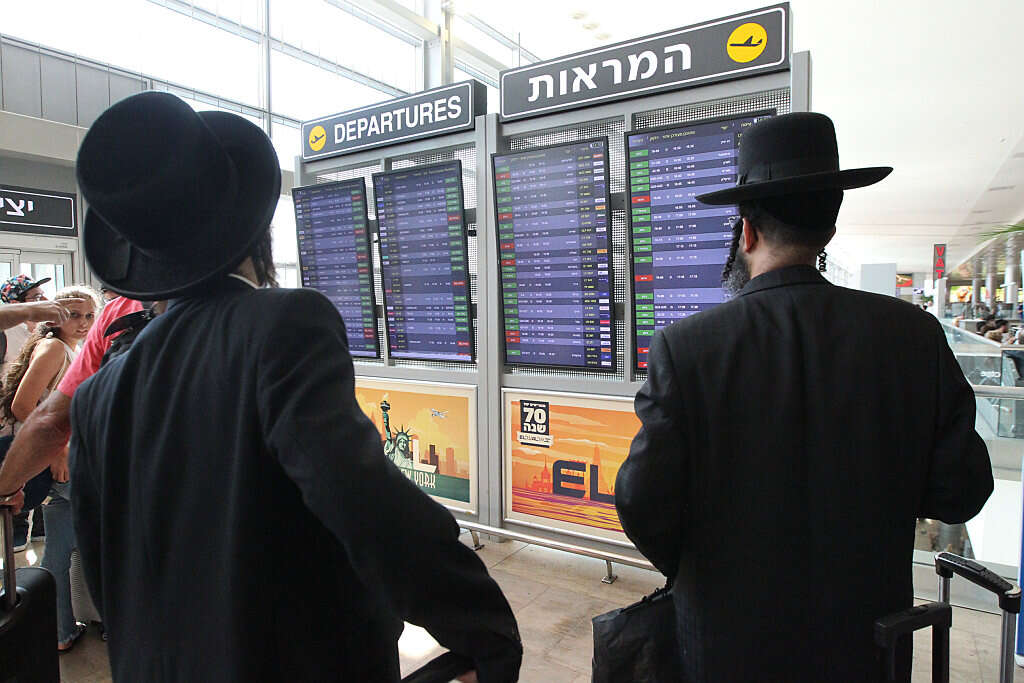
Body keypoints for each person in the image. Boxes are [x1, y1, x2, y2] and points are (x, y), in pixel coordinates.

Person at [65, 92, 521, 682]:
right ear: (257, 233)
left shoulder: (97, 399)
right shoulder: (282, 325)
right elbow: (360, 499)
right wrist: (481, 628)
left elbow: (107, 575)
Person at [614, 113, 993, 682]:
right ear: (829, 230)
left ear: (746, 232)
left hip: (728, 645)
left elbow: (641, 501)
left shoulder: (687, 348)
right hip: (869, 646)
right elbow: (962, 490)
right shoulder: (913, 336)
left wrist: (701, 570)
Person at [0, 285, 99, 650]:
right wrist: (58, 451)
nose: (83, 323)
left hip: (58, 464)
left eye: (89, 315)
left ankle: (60, 631)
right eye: (73, 315)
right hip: (56, 464)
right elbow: (23, 405)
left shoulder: (69, 348)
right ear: (54, 316)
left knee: (58, 552)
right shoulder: (55, 348)